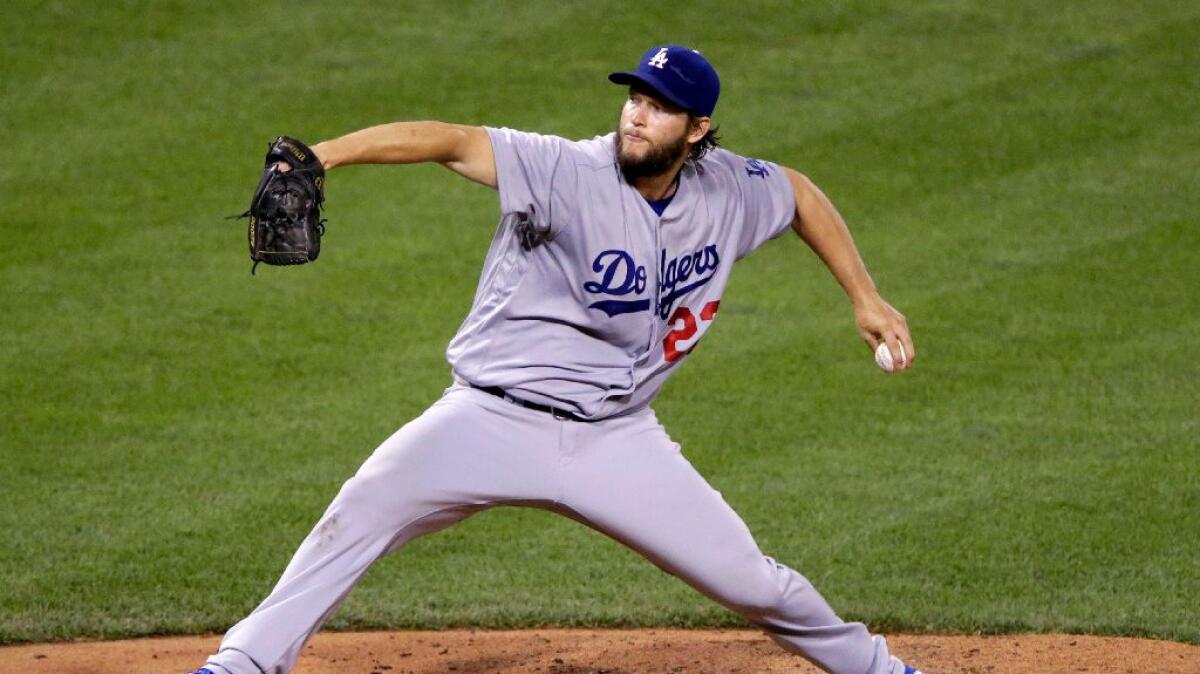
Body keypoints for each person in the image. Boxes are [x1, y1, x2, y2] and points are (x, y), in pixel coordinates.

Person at [193, 44, 922, 674]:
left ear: (697, 130)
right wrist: (324, 157)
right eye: (636, 97)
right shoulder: (563, 170)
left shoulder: (729, 189)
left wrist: (865, 294)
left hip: (618, 436)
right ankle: (241, 662)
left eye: (660, 106)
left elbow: (797, 193)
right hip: (487, 420)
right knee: (356, 515)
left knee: (754, 583)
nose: (637, 114)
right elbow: (447, 140)